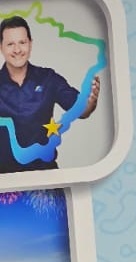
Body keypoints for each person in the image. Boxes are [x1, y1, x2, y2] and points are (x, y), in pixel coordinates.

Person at [0, 15, 100, 172]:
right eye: (10, 44)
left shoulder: (48, 78)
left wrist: (90, 103)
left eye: (22, 42)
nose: (17, 50)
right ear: (1, 47)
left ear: (30, 44)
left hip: (45, 175)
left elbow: (81, 110)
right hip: (5, 180)